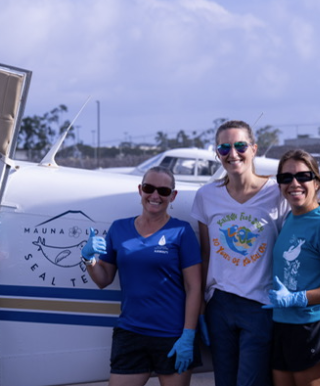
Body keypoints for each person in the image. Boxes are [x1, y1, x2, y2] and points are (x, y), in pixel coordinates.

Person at [82, 166, 202, 386]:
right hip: (130, 332)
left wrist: (188, 335)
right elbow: (103, 279)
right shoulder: (119, 228)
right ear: (140, 190)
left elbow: (194, 288)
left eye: (163, 191)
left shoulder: (181, 232)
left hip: (173, 336)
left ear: (172, 196)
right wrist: (89, 259)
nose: (155, 195)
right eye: (149, 188)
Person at [190, 120, 289, 386]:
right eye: (224, 148)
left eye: (240, 146)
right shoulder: (206, 196)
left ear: (254, 149)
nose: (232, 154)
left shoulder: (278, 193)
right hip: (219, 305)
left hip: (260, 305)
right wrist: (201, 307)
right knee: (225, 382)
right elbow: (206, 254)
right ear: (217, 153)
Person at [264, 149, 320, 385]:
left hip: (313, 326)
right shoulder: (290, 219)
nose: (295, 183)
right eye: (286, 178)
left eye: (303, 176)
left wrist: (298, 298)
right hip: (283, 326)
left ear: (316, 181)